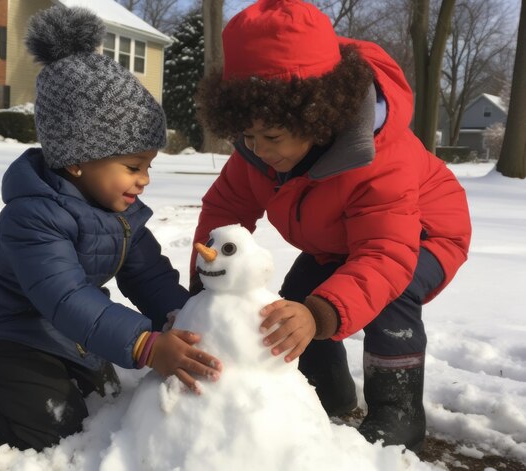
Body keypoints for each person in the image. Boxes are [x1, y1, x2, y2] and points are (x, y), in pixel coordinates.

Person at [0, 6, 221, 451]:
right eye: (132, 166)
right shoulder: (32, 218)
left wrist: (180, 317)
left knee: (103, 395)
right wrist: (145, 345)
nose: (144, 179)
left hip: (47, 326)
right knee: (56, 427)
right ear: (76, 160)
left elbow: (146, 273)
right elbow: (66, 297)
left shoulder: (118, 208)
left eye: (148, 166)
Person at [191, 0, 471, 452]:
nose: (257, 150)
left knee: (386, 297)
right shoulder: (257, 152)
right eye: (246, 135)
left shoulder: (379, 160)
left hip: (421, 235)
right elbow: (223, 210)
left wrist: (322, 315)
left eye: (272, 138)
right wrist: (202, 287)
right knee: (294, 303)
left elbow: (386, 254)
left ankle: (396, 417)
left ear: (318, 120)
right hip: (339, 242)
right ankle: (328, 391)